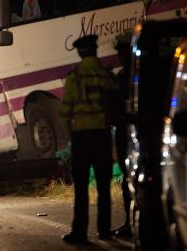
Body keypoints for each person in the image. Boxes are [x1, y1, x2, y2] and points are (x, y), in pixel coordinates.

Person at [59, 34, 116, 244]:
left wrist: (69, 137)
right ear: (95, 50)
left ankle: (80, 232)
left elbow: (65, 111)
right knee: (104, 187)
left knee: (81, 188)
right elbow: (114, 105)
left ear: (79, 52)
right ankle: (105, 230)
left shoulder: (75, 78)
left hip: (82, 137)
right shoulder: (105, 76)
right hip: (102, 136)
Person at [111, 33, 133, 238]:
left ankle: (131, 222)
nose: (118, 55)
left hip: (130, 136)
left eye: (120, 51)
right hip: (131, 134)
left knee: (129, 181)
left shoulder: (125, 77)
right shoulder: (124, 76)